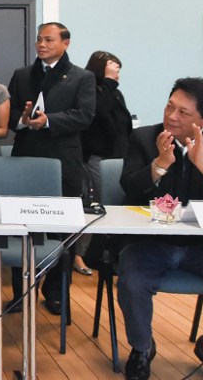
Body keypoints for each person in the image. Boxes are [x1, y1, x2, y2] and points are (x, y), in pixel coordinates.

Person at [118, 77, 203, 380]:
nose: (171, 116)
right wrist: (159, 164)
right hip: (150, 243)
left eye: (184, 113)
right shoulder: (144, 138)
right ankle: (143, 348)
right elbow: (127, 186)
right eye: (170, 106)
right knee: (131, 281)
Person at [6, 22, 96, 314]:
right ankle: (21, 292)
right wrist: (22, 121)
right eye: (38, 39)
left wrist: (49, 120)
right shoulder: (22, 75)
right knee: (21, 226)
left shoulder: (82, 77)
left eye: (48, 39)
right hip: (26, 158)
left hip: (63, 160)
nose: (41, 44)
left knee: (63, 229)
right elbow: (10, 120)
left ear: (66, 43)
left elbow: (84, 116)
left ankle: (56, 291)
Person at [76, 51, 132, 276]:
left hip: (118, 158)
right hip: (96, 158)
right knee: (94, 205)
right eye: (113, 68)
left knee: (117, 206)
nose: (117, 73)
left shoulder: (116, 93)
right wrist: (108, 82)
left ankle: (109, 254)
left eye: (118, 69)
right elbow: (97, 112)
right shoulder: (89, 89)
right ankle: (79, 254)